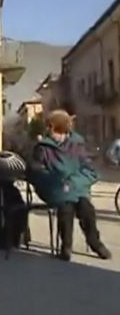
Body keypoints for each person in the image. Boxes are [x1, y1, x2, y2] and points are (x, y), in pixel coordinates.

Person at [29, 110, 112, 261]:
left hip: (76, 189)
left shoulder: (77, 145)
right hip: (55, 189)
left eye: (52, 128)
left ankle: (95, 242)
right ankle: (66, 246)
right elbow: (35, 172)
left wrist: (72, 183)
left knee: (86, 208)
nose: (50, 132)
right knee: (65, 207)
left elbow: (90, 171)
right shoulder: (42, 148)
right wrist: (57, 182)